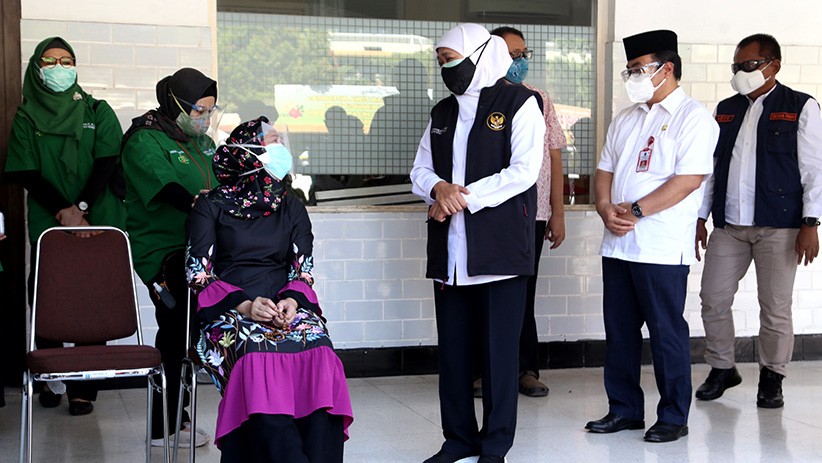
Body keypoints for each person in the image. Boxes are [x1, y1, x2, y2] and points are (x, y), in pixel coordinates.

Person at [411, 23, 545, 463]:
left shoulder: (521, 102)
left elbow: (524, 171)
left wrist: (459, 197)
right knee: (453, 354)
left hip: (499, 252)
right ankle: (458, 440)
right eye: (440, 61)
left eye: (451, 58)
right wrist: (438, 190)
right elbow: (419, 171)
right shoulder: (442, 113)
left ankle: (495, 444)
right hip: (450, 254)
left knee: (499, 356)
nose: (445, 67)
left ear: (481, 54)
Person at [186, 117, 353, 462]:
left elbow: (303, 271)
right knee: (253, 356)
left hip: (285, 304)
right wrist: (245, 307)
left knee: (321, 353)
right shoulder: (211, 205)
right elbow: (197, 273)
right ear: (248, 152)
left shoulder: (291, 204)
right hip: (230, 309)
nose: (281, 149)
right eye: (272, 141)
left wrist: (291, 300)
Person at [585, 30, 718, 443]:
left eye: (639, 69)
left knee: (665, 334)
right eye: (629, 70)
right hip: (618, 244)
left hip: (660, 247)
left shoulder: (693, 117)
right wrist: (605, 207)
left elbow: (689, 179)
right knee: (620, 333)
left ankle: (674, 415)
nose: (633, 77)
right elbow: (604, 169)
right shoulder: (626, 117)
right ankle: (624, 409)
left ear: (667, 68)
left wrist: (637, 211)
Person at [695, 34, 822, 408]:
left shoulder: (800, 107)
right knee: (712, 298)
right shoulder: (726, 108)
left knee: (775, 306)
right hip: (729, 226)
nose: (740, 73)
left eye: (749, 65)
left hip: (779, 226)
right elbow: (712, 170)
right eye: (736, 66)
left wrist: (810, 222)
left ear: (773, 66)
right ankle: (722, 368)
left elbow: (814, 170)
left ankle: (772, 376)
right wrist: (701, 216)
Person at [5, 36, 126, 416]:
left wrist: (83, 207)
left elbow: (107, 161)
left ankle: (84, 387)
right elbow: (25, 170)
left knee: (94, 294)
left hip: (97, 215)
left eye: (67, 60)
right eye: (50, 61)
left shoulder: (97, 109)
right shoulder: (26, 116)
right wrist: (65, 210)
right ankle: (52, 373)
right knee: (48, 290)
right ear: (37, 69)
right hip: (49, 216)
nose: (60, 68)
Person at [121, 67, 219, 447]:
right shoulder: (145, 139)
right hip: (165, 252)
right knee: (176, 330)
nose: (204, 118)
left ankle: (181, 417)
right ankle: (164, 425)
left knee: (193, 334)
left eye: (210, 111)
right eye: (198, 110)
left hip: (202, 248)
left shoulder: (200, 142)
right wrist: (198, 203)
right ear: (175, 102)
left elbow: (222, 178)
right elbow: (166, 188)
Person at [487, 25, 567, 398]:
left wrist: (558, 212)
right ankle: (483, 371)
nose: (519, 61)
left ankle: (525, 369)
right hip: (485, 213)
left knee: (523, 293)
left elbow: (553, 154)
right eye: (510, 54)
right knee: (483, 293)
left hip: (530, 214)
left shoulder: (538, 98)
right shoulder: (476, 97)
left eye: (523, 54)